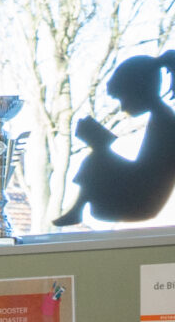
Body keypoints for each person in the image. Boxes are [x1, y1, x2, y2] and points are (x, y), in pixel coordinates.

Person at [52, 51, 175, 226]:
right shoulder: (162, 118)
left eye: (123, 99)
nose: (123, 107)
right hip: (142, 195)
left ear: (139, 91)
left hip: (143, 200)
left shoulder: (164, 122)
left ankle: (78, 210)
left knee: (98, 158)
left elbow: (146, 177)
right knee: (99, 155)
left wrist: (100, 146)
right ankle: (78, 209)